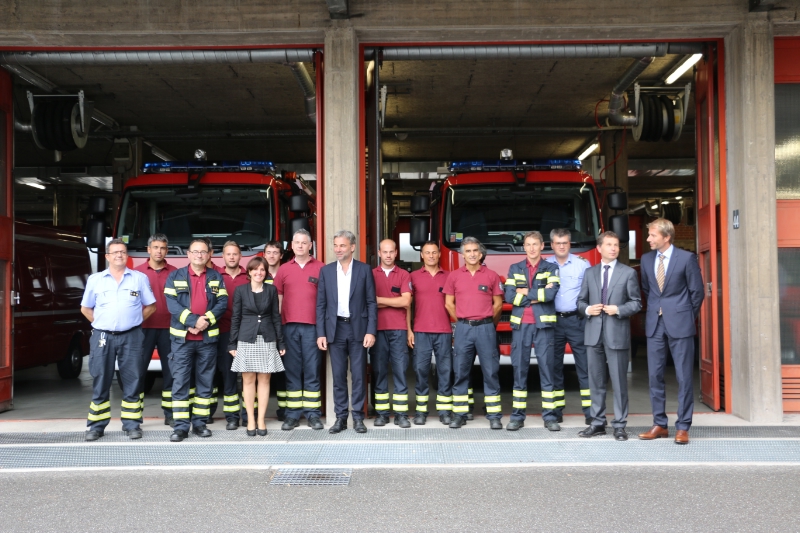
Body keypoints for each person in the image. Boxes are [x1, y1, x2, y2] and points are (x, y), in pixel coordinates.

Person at [81, 239, 156, 441]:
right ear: (107, 256)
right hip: (102, 336)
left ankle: (132, 425)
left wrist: (134, 321)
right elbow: (85, 308)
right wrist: (101, 324)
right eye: (115, 252)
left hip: (132, 335)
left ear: (127, 255)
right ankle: (96, 426)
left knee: (133, 379)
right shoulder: (95, 280)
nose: (119, 255)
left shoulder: (139, 278)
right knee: (101, 378)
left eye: (122, 252)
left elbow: (151, 306)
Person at [638, 218, 704, 445]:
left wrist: (685, 316)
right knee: (654, 376)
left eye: (652, 235)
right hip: (654, 324)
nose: (648, 239)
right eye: (649, 234)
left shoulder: (686, 258)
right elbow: (648, 289)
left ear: (666, 237)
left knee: (684, 377)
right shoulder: (646, 259)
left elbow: (697, 292)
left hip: (680, 324)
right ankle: (660, 424)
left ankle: (683, 427)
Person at [576, 231, 642, 441]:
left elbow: (636, 303)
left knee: (619, 382)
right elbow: (580, 302)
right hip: (593, 334)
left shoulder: (628, 273)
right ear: (599, 248)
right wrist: (588, 310)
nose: (613, 248)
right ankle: (597, 423)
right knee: (595, 381)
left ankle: (620, 425)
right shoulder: (590, 273)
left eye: (616, 245)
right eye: (609, 244)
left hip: (617, 334)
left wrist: (619, 309)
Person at [164, 238, 228, 442]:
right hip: (182, 340)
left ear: (209, 255)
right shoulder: (175, 276)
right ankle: (181, 427)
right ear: (188, 254)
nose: (199, 255)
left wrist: (204, 321)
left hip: (207, 340)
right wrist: (192, 321)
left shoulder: (216, 277)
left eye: (203, 252)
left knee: (205, 383)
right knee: (180, 382)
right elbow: (172, 304)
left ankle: (200, 424)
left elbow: (222, 303)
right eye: (195, 251)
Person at [316, 230, 377, 434]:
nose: (338, 249)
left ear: (352, 247)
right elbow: (321, 305)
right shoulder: (326, 271)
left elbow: (371, 303)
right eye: (335, 245)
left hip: (358, 328)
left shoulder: (364, 270)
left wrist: (371, 331)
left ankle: (358, 417)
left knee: (359, 375)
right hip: (335, 329)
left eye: (342, 245)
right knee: (338, 376)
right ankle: (341, 417)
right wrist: (321, 333)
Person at [444, 236, 504, 429]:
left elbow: (498, 305)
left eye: (475, 251)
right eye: (468, 251)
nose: (471, 254)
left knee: (491, 372)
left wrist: (488, 324)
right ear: (463, 254)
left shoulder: (491, 275)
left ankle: (494, 416)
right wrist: (463, 321)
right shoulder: (454, 276)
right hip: (463, 328)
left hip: (486, 328)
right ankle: (460, 414)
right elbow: (448, 304)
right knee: (460, 372)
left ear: (480, 254)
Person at [504, 231, 560, 431]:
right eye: (528, 244)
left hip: (543, 326)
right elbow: (509, 296)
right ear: (524, 247)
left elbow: (551, 294)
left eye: (535, 244)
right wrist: (537, 296)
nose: (532, 248)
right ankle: (517, 416)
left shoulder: (551, 267)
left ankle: (550, 417)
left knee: (547, 370)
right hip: (521, 325)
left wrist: (525, 292)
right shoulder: (515, 268)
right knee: (519, 370)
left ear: (542, 245)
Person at [273, 229, 325, 431]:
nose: (300, 246)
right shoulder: (284, 270)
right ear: (292, 246)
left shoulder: (321, 268)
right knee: (292, 371)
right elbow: (278, 300)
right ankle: (292, 414)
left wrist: (323, 330)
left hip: (313, 328)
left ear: (310, 245)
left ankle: (313, 414)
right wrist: (278, 329)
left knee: (312, 371)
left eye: (304, 242)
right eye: (297, 242)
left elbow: (326, 301)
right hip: (289, 327)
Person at [229, 256, 286, 436]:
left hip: (267, 338)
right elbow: (236, 318)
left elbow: (276, 317)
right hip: (246, 339)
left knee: (264, 380)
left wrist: (280, 341)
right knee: (247, 380)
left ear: (266, 272)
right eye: (255, 269)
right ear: (249, 271)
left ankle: (261, 419)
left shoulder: (271, 290)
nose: (259, 273)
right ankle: (250, 420)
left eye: (262, 270)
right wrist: (232, 343)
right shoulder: (240, 290)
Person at [546, 228, 593, 425]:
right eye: (558, 243)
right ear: (552, 245)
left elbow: (591, 292)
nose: (562, 246)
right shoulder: (545, 265)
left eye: (565, 242)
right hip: (553, 322)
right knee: (554, 367)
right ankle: (557, 410)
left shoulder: (583, 264)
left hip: (577, 321)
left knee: (585, 367)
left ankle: (591, 412)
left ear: (570, 243)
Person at [408, 241, 455, 426]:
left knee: (445, 371)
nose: (431, 256)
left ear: (439, 254)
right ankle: (421, 412)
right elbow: (407, 305)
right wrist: (409, 330)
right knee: (420, 371)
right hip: (421, 332)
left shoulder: (449, 276)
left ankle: (444, 411)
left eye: (434, 252)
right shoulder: (413, 277)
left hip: (444, 331)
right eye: (427, 253)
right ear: (422, 255)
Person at [134, 233, 177, 427]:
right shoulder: (136, 273)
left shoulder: (176, 273)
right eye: (156, 247)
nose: (159, 251)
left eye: (163, 248)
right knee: (138, 372)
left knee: (171, 373)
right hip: (143, 328)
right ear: (148, 249)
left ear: (167, 251)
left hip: (170, 329)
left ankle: (170, 414)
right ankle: (135, 415)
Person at [371, 239, 413, 428]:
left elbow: (406, 302)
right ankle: (381, 414)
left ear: (396, 253)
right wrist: (394, 301)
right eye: (385, 252)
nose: (388, 255)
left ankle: (401, 415)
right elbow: (367, 303)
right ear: (379, 253)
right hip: (377, 330)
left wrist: (378, 300)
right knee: (379, 372)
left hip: (399, 330)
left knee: (400, 372)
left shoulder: (404, 275)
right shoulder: (370, 275)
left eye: (391, 252)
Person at [213, 241, 250, 430]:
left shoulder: (249, 276)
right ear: (223, 257)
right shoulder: (215, 276)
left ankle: (249, 415)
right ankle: (232, 417)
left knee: (249, 376)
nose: (232, 257)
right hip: (224, 332)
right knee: (228, 375)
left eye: (235, 254)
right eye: (228, 254)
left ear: (240, 256)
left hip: (248, 333)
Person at [265, 240, 288, 422]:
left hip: (283, 327)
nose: (272, 256)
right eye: (269, 252)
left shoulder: (286, 272)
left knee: (283, 370)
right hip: (263, 329)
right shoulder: (258, 273)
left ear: (281, 255)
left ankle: (284, 409)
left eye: (275, 252)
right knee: (259, 371)